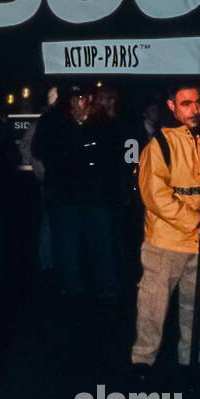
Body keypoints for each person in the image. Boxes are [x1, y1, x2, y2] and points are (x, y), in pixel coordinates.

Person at [130, 81, 200, 379]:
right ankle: (143, 360)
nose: (193, 110)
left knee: (199, 304)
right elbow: (155, 196)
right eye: (185, 104)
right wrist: (194, 219)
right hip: (166, 241)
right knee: (153, 305)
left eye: (196, 103)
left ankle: (194, 357)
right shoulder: (161, 144)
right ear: (172, 107)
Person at [30, 82, 124, 302]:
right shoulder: (52, 120)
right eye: (73, 98)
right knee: (66, 244)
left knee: (101, 242)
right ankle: (69, 287)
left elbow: (111, 155)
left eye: (81, 97)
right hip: (64, 195)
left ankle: (107, 287)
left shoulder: (103, 122)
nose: (77, 102)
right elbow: (39, 149)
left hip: (95, 196)